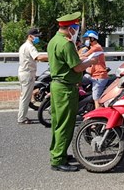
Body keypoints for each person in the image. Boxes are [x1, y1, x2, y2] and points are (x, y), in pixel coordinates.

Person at [47, 12, 98, 172]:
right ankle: (58, 159)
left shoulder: (54, 40)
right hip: (66, 88)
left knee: (57, 122)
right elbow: (76, 67)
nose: (76, 30)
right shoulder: (66, 44)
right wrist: (91, 61)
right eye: (75, 27)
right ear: (70, 28)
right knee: (65, 124)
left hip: (57, 86)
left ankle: (58, 153)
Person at [17, 28, 48, 124]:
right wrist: (53, 56)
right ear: (30, 36)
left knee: (24, 96)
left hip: (23, 72)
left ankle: (22, 116)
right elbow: (38, 57)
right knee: (25, 97)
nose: (37, 38)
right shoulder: (30, 47)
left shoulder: (23, 46)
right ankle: (21, 118)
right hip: (28, 74)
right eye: (36, 36)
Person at [80, 30, 108, 109]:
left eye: (87, 39)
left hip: (99, 77)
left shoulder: (96, 47)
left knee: (96, 98)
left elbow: (84, 56)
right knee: (77, 80)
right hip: (92, 75)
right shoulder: (92, 47)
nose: (86, 41)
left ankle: (98, 117)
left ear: (92, 38)